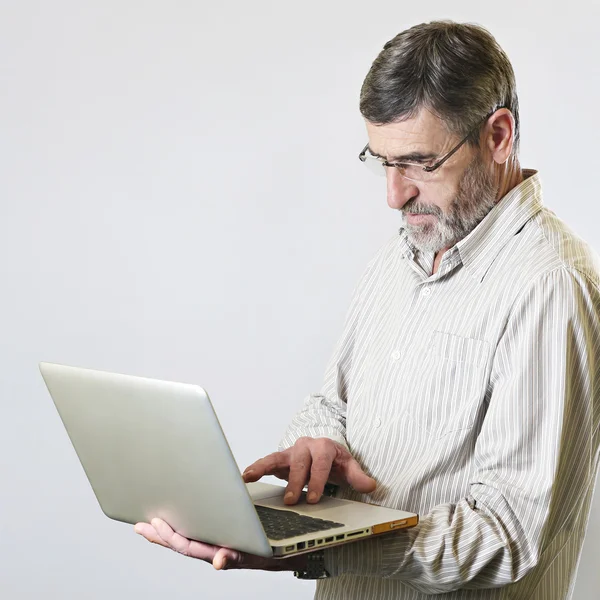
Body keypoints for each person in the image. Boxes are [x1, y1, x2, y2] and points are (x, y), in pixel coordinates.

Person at [134, 20, 600, 600]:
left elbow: (511, 535)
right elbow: (332, 403)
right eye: (381, 161)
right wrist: (318, 444)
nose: (393, 194)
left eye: (419, 163)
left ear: (498, 136)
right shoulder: (401, 254)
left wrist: (324, 547)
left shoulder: (550, 285)